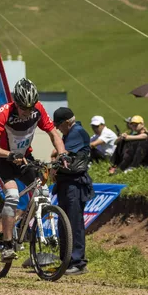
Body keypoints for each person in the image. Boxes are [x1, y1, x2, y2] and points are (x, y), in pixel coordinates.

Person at [0, 78, 67, 261]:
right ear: (16, 102)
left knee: (43, 192)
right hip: (3, 160)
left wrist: (62, 154)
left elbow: (54, 134)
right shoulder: (5, 112)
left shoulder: (38, 110)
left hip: (25, 159)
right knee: (13, 196)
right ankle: (7, 245)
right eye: (23, 108)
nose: (26, 112)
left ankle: (22, 226)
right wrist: (9, 154)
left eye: (30, 108)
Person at [52, 107, 94, 276]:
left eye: (59, 124)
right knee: (63, 223)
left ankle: (78, 262)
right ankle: (66, 261)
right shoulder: (69, 133)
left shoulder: (77, 132)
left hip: (75, 184)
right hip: (66, 183)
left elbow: (62, 154)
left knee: (74, 223)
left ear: (67, 122)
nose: (57, 128)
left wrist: (53, 168)